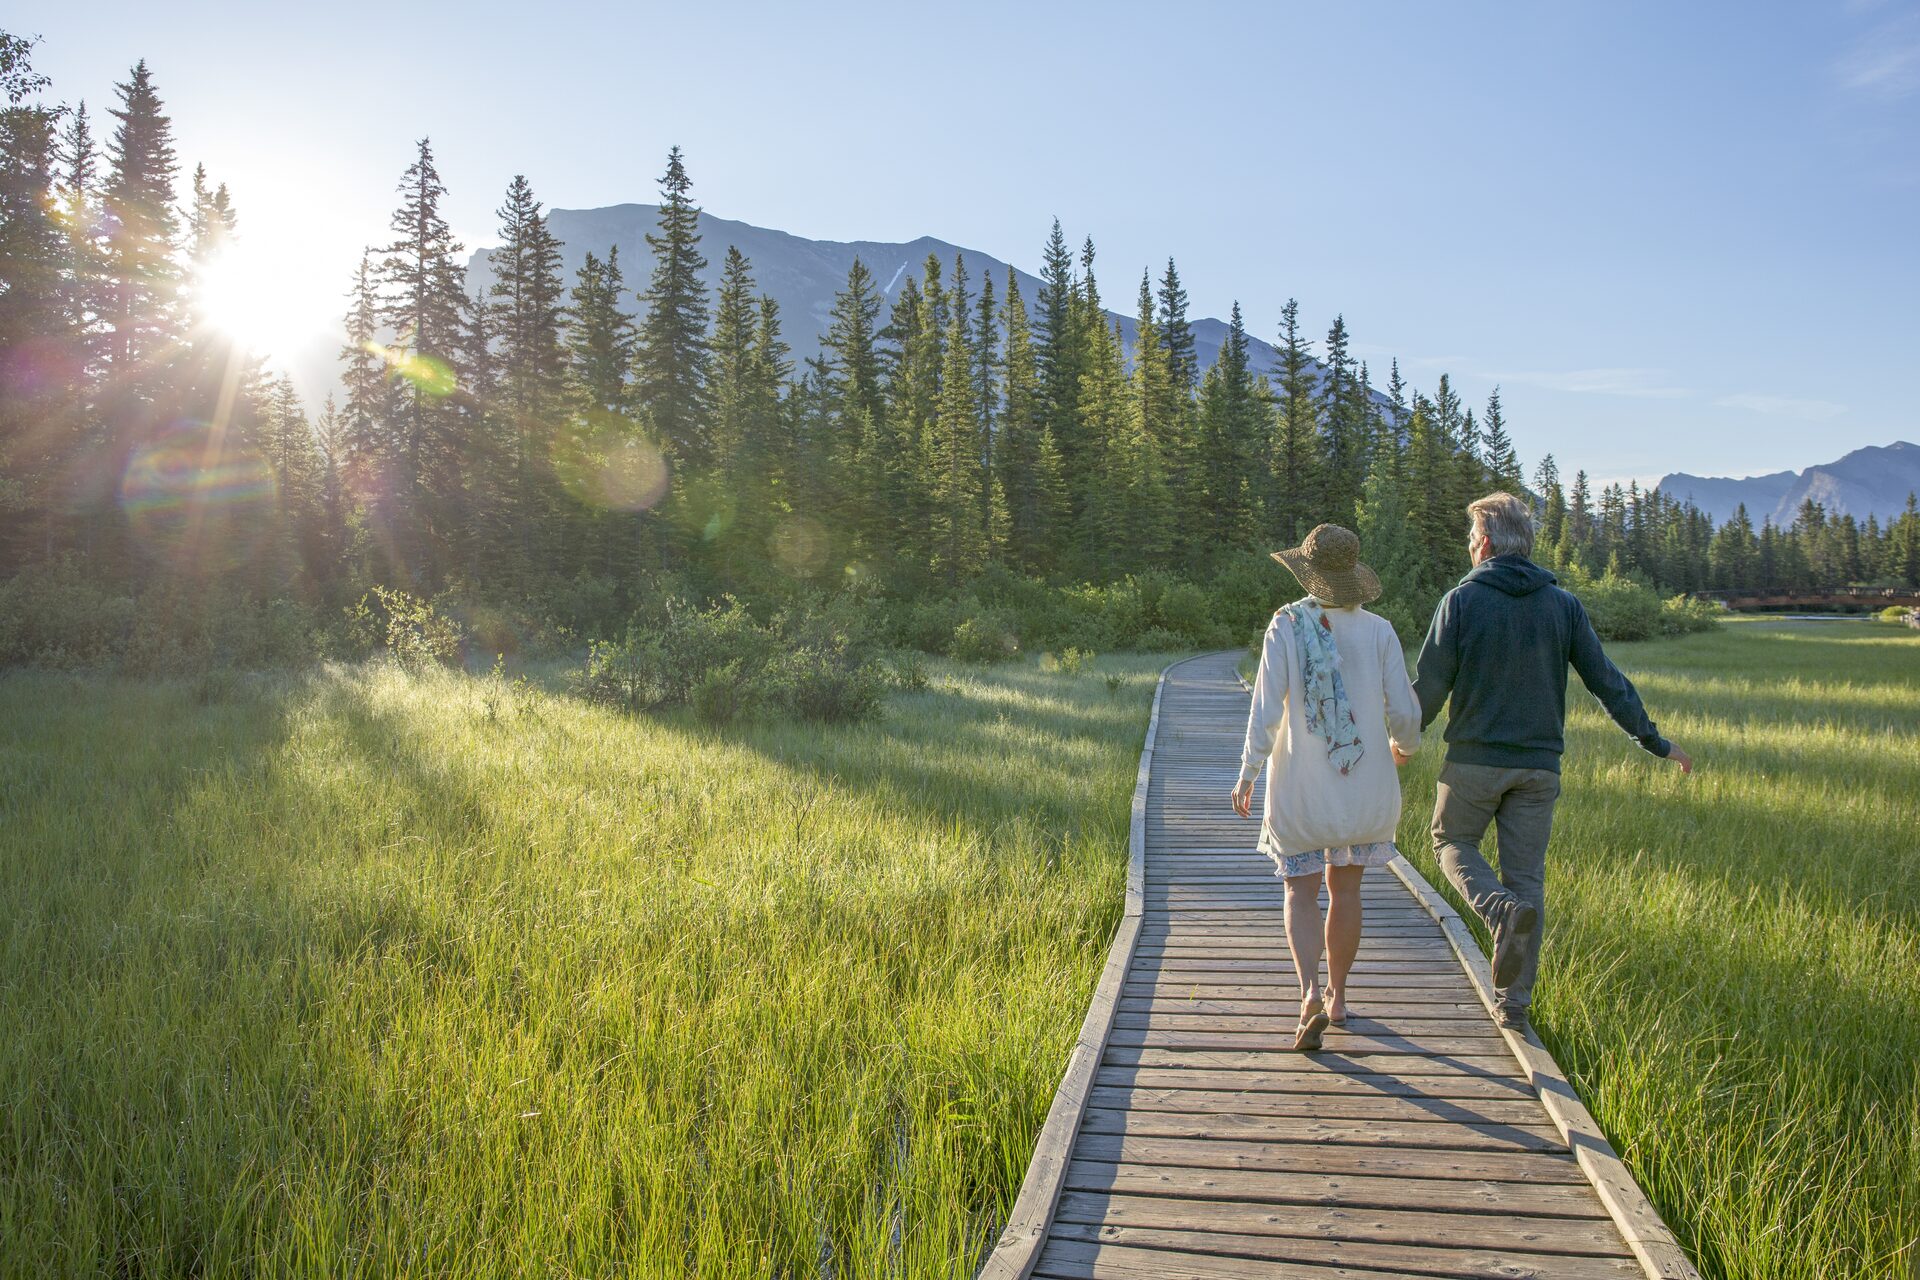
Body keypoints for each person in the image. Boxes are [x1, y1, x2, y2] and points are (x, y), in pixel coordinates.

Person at [1412, 492, 1693, 1034]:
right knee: (1528, 881)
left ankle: (1495, 909)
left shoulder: (1462, 602)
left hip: (1474, 762)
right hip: (1540, 770)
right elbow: (1608, 682)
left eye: (1472, 538)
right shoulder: (1562, 605)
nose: (1470, 547)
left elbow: (1429, 687)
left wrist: (1397, 741)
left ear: (1487, 544)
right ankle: (1513, 1005)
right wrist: (1656, 742)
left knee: (1450, 842)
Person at [1232, 523, 1422, 1051]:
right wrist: (1404, 748)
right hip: (1364, 788)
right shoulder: (1381, 631)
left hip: (1303, 790)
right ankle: (1339, 998)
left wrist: (1248, 771)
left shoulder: (1286, 624)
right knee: (1348, 889)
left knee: (1300, 889)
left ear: (1308, 571)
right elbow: (1405, 710)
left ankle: (1309, 993)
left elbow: (1266, 709)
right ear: (1354, 577)